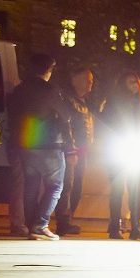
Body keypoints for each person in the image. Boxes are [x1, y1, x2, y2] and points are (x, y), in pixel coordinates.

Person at [7, 53, 72, 241]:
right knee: (55, 186)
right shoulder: (50, 90)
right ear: (49, 69)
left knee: (31, 186)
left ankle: (30, 226)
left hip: (25, 144)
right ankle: (40, 225)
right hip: (49, 144)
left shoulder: (19, 89)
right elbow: (66, 115)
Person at [102, 71, 140, 240]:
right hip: (117, 148)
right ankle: (115, 227)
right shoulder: (115, 102)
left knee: (135, 190)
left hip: (134, 147)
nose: (135, 86)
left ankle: (135, 227)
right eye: (130, 82)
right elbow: (106, 124)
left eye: (136, 82)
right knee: (117, 190)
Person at [54, 66, 94, 235]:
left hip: (81, 148)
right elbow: (67, 124)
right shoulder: (68, 100)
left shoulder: (83, 101)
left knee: (76, 185)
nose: (91, 85)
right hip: (72, 149)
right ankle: (63, 221)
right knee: (68, 185)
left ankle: (67, 219)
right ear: (75, 80)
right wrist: (71, 149)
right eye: (88, 81)